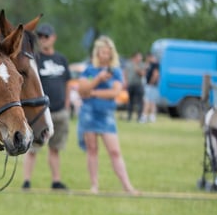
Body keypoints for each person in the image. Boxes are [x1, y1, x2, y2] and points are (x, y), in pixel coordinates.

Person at [77, 35, 139, 196]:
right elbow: (81, 90)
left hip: (106, 116)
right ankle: (94, 186)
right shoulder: (89, 70)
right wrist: (97, 79)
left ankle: (127, 186)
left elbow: (115, 93)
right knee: (92, 150)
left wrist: (93, 92)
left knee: (115, 151)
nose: (105, 55)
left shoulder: (116, 71)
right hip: (89, 114)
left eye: (108, 53)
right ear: (97, 53)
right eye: (103, 52)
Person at [22, 23, 71, 191]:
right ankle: (26, 181)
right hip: (41, 112)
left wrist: (67, 104)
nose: (43, 39)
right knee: (33, 148)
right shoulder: (35, 59)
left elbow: (68, 82)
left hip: (60, 111)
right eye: (40, 36)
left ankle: (56, 180)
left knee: (55, 149)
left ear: (53, 38)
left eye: (46, 36)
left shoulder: (61, 59)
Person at [123, 51, 145, 122]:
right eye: (139, 57)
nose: (140, 58)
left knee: (139, 102)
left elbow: (143, 74)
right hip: (130, 84)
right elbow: (125, 72)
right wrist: (125, 81)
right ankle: (129, 116)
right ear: (135, 57)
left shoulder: (142, 64)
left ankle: (139, 117)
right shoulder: (129, 64)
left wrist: (137, 68)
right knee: (130, 101)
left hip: (138, 85)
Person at [140, 53, 159, 123]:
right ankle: (152, 117)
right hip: (151, 85)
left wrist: (151, 83)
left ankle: (144, 117)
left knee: (147, 101)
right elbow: (144, 73)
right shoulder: (150, 65)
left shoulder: (155, 65)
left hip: (151, 85)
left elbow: (155, 74)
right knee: (151, 101)